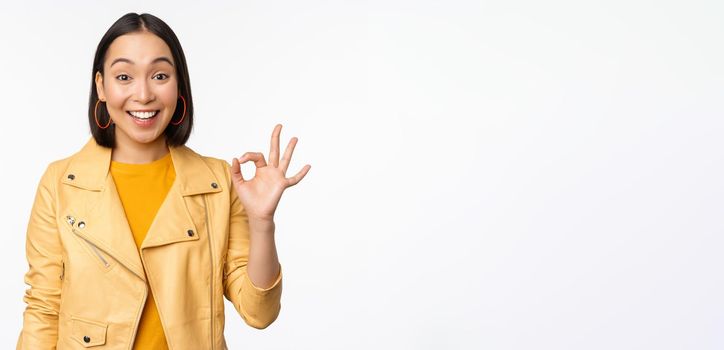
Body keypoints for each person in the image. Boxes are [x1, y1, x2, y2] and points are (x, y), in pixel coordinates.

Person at [16, 12, 310, 349]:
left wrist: (262, 222)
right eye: (124, 76)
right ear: (101, 85)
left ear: (179, 84)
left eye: (159, 75)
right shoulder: (60, 183)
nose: (143, 95)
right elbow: (43, 307)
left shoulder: (218, 183)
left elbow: (260, 313)